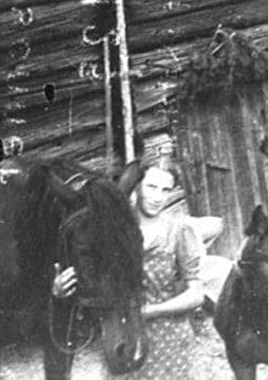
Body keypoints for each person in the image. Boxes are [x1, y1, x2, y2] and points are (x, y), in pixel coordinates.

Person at [54, 158, 205, 379]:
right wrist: (59, 291)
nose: (157, 197)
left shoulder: (179, 231)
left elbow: (196, 294)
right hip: (123, 337)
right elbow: (91, 282)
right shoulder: (110, 228)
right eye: (151, 187)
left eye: (165, 190)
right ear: (137, 187)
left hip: (170, 341)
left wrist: (151, 311)